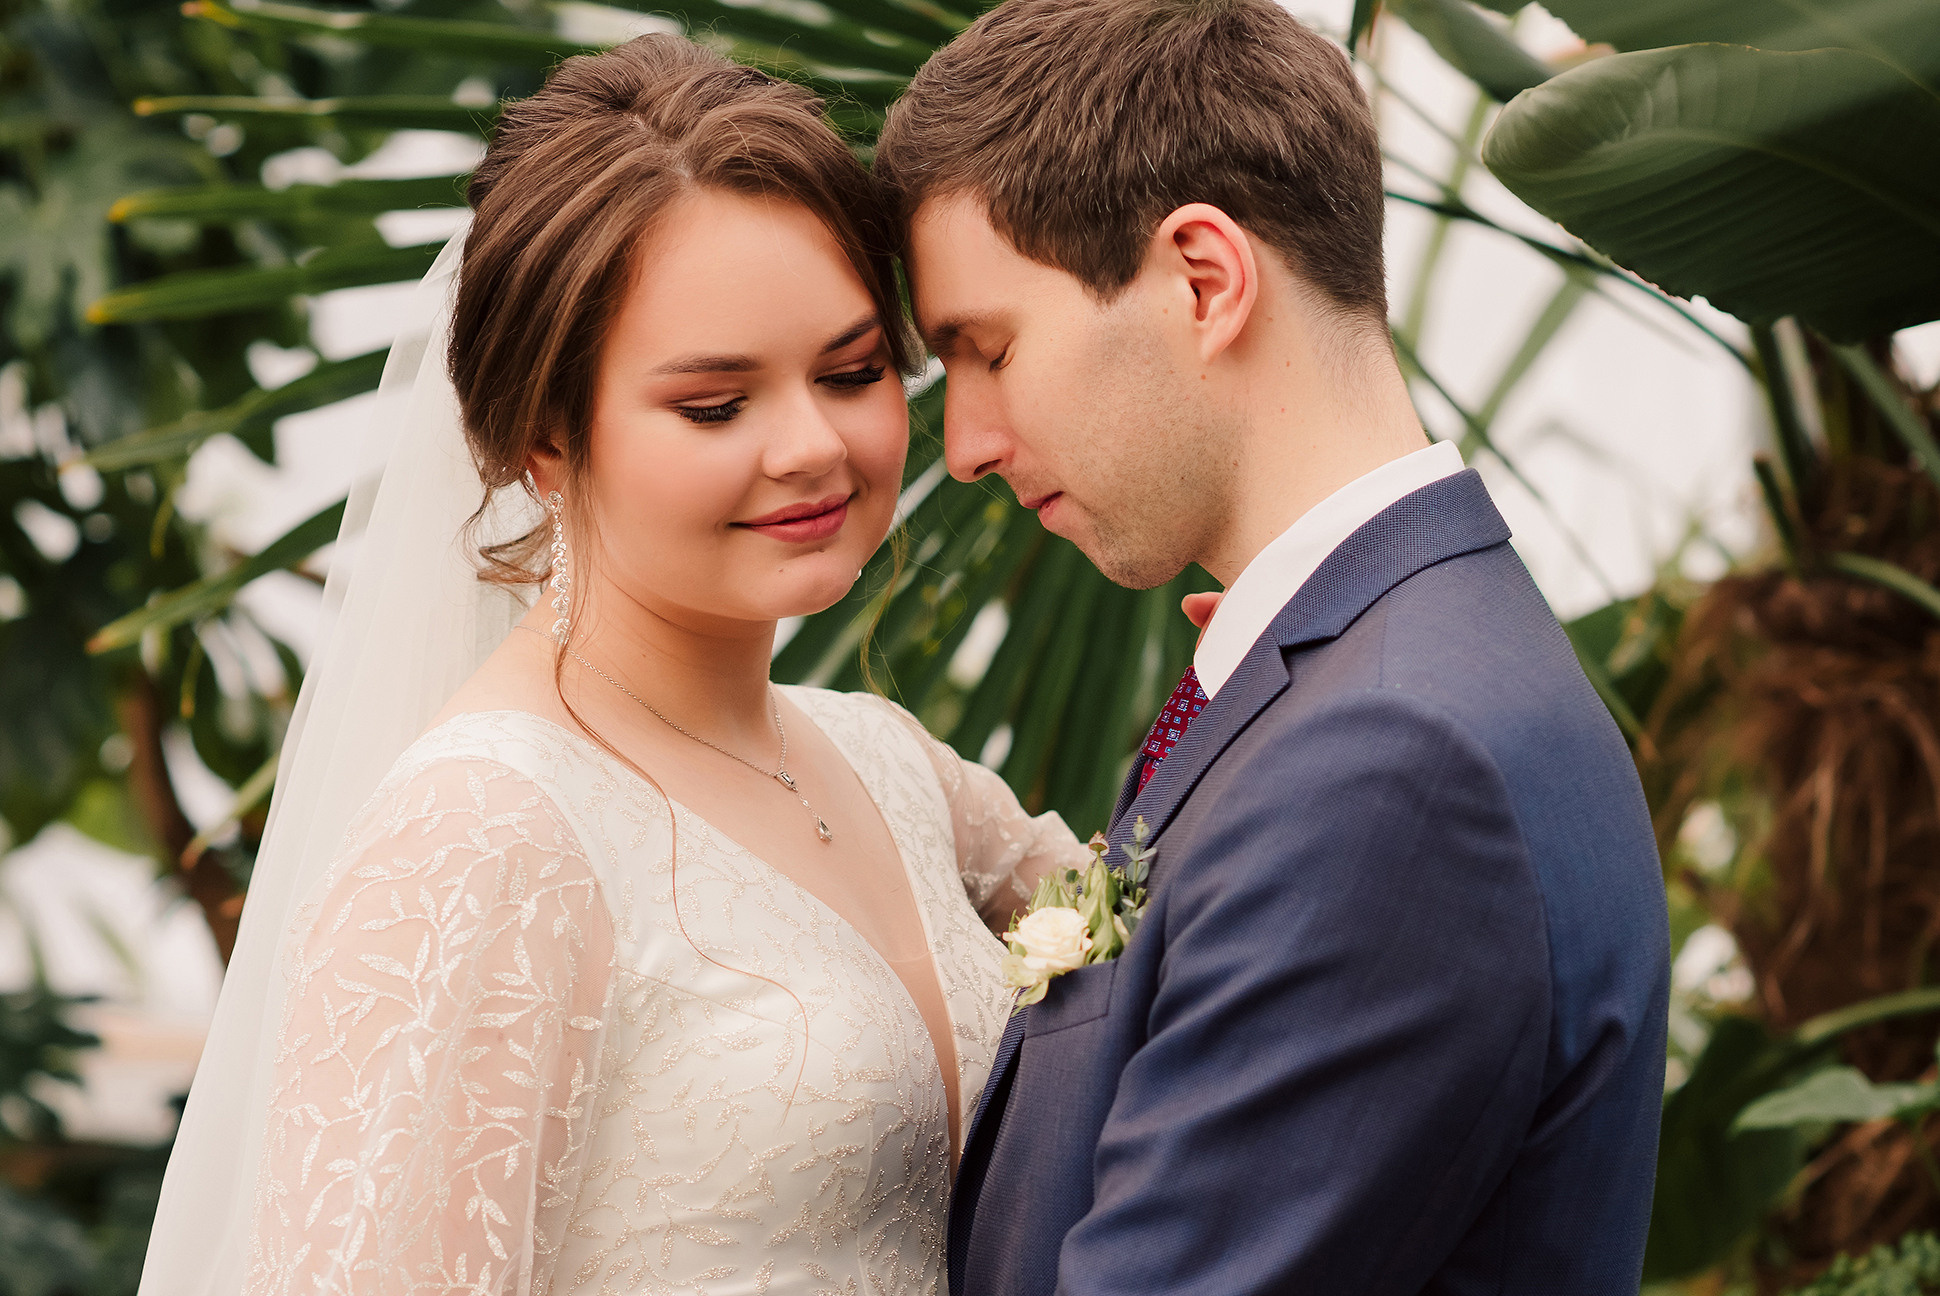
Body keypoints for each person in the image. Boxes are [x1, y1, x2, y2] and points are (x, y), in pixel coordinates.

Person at [137, 36, 1088, 1296]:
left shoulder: (891, 764)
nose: (812, 444)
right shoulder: (480, 839)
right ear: (541, 433)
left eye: (852, 373)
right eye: (714, 405)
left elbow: (1204, 953)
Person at [876, 1, 1672, 1293]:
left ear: (1204, 278)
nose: (963, 444)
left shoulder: (1389, 761)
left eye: (990, 349)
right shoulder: (1370, 675)